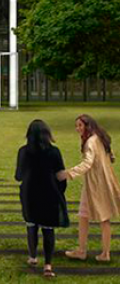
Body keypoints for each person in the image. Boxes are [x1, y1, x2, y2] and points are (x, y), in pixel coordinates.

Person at [58, 115, 120, 262]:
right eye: (76, 126)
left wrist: (68, 173)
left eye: (80, 125)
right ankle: (84, 251)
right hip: (101, 182)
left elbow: (87, 163)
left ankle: (101, 253)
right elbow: (112, 156)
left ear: (88, 125)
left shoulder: (90, 142)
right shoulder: (99, 137)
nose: (78, 129)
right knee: (84, 215)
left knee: (103, 217)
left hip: (97, 184)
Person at [17, 119, 68, 277]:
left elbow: (18, 176)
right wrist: (59, 192)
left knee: (31, 226)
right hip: (49, 194)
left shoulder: (23, 151)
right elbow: (61, 176)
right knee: (48, 229)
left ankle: (32, 257)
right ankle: (48, 265)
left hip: (29, 194)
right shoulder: (55, 152)